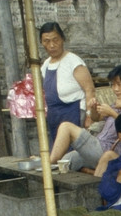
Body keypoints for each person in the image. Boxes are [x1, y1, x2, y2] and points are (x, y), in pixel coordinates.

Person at [48, 64, 121, 174]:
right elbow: (96, 118)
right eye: (113, 85)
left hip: (110, 152)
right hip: (97, 146)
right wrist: (94, 109)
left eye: (120, 85)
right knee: (66, 161)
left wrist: (112, 113)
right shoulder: (117, 102)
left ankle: (47, 164)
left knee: (66, 127)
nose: (115, 89)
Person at [38, 22, 96, 150]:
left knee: (73, 154)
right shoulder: (46, 65)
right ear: (42, 43)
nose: (52, 45)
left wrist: (89, 116)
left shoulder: (73, 61)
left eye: (55, 40)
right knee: (58, 153)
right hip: (55, 117)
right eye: (46, 41)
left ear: (63, 39)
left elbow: (89, 90)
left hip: (74, 114)